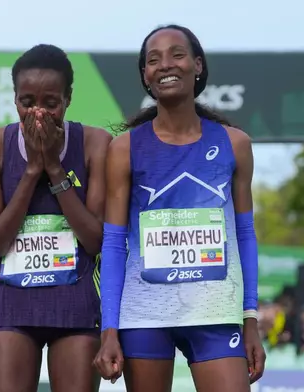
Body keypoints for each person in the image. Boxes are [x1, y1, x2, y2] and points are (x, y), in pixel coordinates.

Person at [93, 25, 267, 392]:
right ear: (145, 75)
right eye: (153, 60)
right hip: (144, 317)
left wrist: (250, 319)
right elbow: (113, 243)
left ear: (197, 65)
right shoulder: (124, 149)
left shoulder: (235, 144)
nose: (165, 65)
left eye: (177, 54)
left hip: (216, 315)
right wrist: (110, 328)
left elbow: (245, 235)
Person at [0, 44, 112, 392]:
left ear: (68, 98)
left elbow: (96, 240)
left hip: (76, 306)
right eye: (27, 101)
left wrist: (53, 166)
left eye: (51, 103)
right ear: (15, 99)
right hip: (12, 306)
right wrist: (33, 168)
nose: (38, 112)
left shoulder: (95, 143)